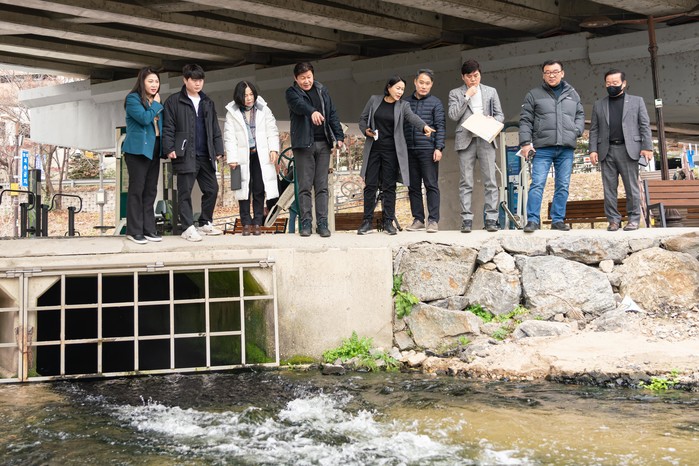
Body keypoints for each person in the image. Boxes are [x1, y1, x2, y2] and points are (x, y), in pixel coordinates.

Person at [358, 75, 436, 235]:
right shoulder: (374, 100)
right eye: (398, 88)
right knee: (370, 185)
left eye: (402, 89)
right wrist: (366, 130)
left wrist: (424, 127)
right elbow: (363, 119)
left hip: (392, 152)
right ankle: (366, 222)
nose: (400, 92)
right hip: (374, 149)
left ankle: (388, 222)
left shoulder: (403, 105)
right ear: (389, 87)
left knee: (389, 187)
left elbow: (412, 117)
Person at [519, 59, 584, 233]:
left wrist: (576, 130)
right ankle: (532, 220)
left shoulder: (573, 94)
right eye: (547, 72)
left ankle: (558, 220)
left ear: (562, 73)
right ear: (543, 75)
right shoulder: (533, 94)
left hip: (566, 148)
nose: (551, 75)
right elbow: (525, 121)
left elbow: (580, 114)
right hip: (542, 147)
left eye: (555, 72)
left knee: (563, 185)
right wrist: (525, 143)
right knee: (537, 184)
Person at [162, 64, 224, 242]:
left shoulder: (207, 102)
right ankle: (187, 227)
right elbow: (168, 127)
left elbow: (214, 128)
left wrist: (218, 149)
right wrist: (169, 148)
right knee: (185, 192)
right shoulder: (174, 101)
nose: (198, 84)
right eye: (194, 80)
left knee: (212, 189)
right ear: (185, 80)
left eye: (200, 80)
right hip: (185, 154)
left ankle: (205, 223)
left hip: (206, 154)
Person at [285, 62, 345, 237]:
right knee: (304, 186)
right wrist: (312, 111)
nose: (306, 81)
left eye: (309, 77)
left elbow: (332, 113)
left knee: (322, 186)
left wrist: (339, 136)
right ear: (296, 78)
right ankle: (305, 223)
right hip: (304, 145)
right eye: (302, 78)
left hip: (323, 143)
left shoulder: (321, 90)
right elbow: (299, 106)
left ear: (313, 76)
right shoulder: (292, 93)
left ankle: (322, 223)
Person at [589, 69, 653, 232]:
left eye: (615, 83)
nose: (611, 86)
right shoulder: (599, 104)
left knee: (631, 187)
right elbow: (594, 129)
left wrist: (647, 147)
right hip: (606, 150)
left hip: (629, 149)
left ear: (623, 84)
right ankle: (613, 220)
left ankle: (633, 219)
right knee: (609, 188)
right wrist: (592, 149)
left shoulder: (637, 101)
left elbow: (644, 126)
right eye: (608, 83)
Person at [448, 59, 504, 233]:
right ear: (463, 77)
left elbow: (500, 115)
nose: (473, 79)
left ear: (480, 74)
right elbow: (453, 115)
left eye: (476, 75)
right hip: (466, 140)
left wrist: (493, 119)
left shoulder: (490, 91)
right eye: (469, 76)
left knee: (490, 180)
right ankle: (466, 219)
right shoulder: (456, 93)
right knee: (466, 181)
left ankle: (491, 219)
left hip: (486, 138)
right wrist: (467, 96)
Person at [224, 81, 280, 236]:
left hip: (260, 155)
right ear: (239, 96)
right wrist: (232, 157)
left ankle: (257, 222)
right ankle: (246, 223)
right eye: (245, 95)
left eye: (251, 94)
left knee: (259, 188)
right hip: (241, 156)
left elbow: (272, 130)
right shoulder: (232, 112)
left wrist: (274, 149)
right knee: (243, 189)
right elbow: (229, 137)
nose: (249, 98)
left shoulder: (264, 109)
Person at [122, 67, 164, 245]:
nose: (154, 85)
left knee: (150, 190)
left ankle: (148, 229)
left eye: (156, 81)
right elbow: (144, 119)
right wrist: (156, 106)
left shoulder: (156, 101)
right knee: (137, 190)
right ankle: (134, 230)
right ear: (142, 82)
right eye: (150, 81)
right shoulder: (133, 99)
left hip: (154, 148)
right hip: (137, 150)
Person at [404, 68, 446, 233]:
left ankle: (433, 220)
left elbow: (440, 127)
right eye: (421, 82)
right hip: (409, 150)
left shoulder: (436, 103)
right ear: (415, 82)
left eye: (427, 83)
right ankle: (418, 220)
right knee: (413, 187)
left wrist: (439, 148)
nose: (424, 86)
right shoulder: (405, 102)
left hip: (428, 149)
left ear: (431, 85)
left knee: (431, 185)